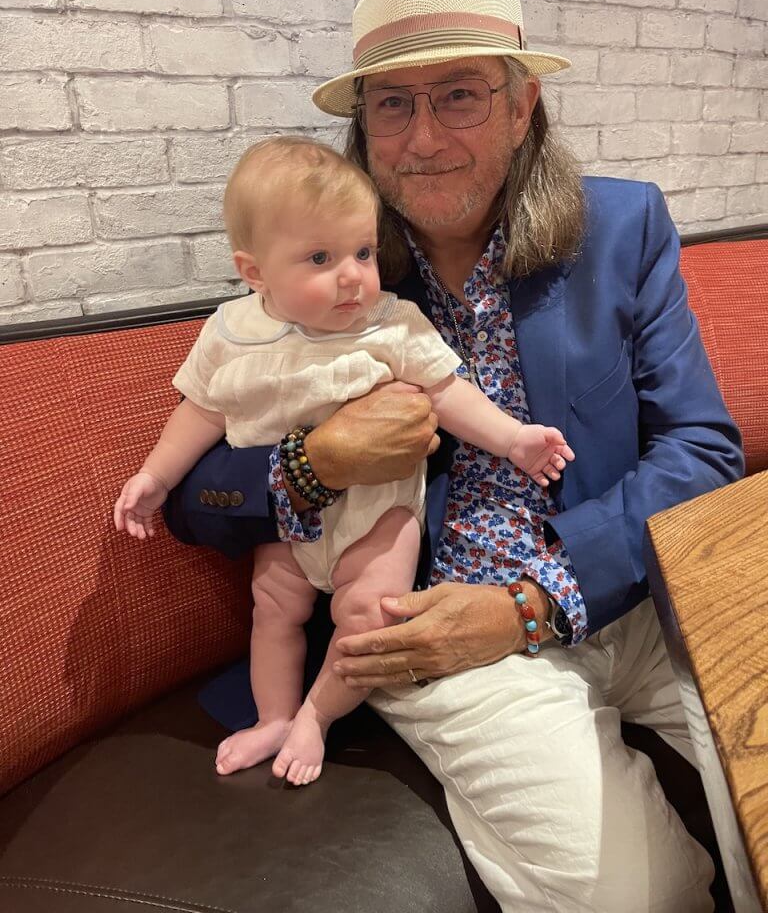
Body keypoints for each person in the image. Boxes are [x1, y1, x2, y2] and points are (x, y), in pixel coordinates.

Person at [162, 0, 744, 913]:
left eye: (460, 94)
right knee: (637, 896)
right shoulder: (324, 267)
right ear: (364, 129)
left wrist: (538, 596)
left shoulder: (625, 228)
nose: (424, 137)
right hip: (431, 623)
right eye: (394, 102)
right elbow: (190, 494)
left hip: (631, 589)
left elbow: (701, 447)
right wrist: (311, 463)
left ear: (522, 107)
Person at [114, 136, 574, 786]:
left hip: (379, 514)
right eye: (321, 258)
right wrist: (155, 476)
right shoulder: (230, 334)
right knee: (273, 608)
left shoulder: (393, 323)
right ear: (254, 273)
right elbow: (202, 412)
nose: (354, 275)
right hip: (292, 523)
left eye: (362, 251)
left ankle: (317, 716)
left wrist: (512, 439)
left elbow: (447, 393)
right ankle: (273, 715)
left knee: (369, 618)